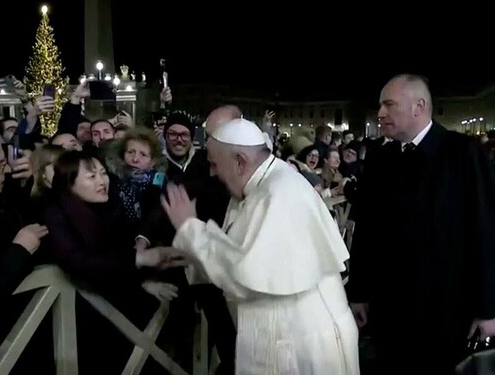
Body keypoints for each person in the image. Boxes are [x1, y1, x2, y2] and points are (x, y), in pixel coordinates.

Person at [161, 118, 359, 374]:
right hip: (287, 337)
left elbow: (245, 276)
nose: (212, 172)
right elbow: (238, 251)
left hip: (300, 346)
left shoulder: (280, 193)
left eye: (214, 163)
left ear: (240, 162)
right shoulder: (259, 186)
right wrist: (189, 253)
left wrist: (190, 229)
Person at [347, 74, 495, 374]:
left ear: (419, 106)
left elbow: (484, 231)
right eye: (380, 106)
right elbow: (366, 230)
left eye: (389, 104)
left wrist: (487, 308)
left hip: (448, 310)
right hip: (389, 310)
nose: (380, 113)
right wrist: (359, 291)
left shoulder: (463, 153)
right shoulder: (379, 158)